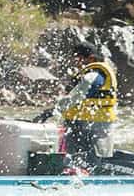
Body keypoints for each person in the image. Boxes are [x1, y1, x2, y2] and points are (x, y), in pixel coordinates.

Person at [33, 41, 117, 169]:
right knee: (73, 160)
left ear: (91, 58)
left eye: (78, 59)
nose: (76, 63)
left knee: (88, 163)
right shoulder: (90, 73)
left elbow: (77, 96)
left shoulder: (95, 75)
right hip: (80, 123)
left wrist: (52, 111)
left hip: (94, 126)